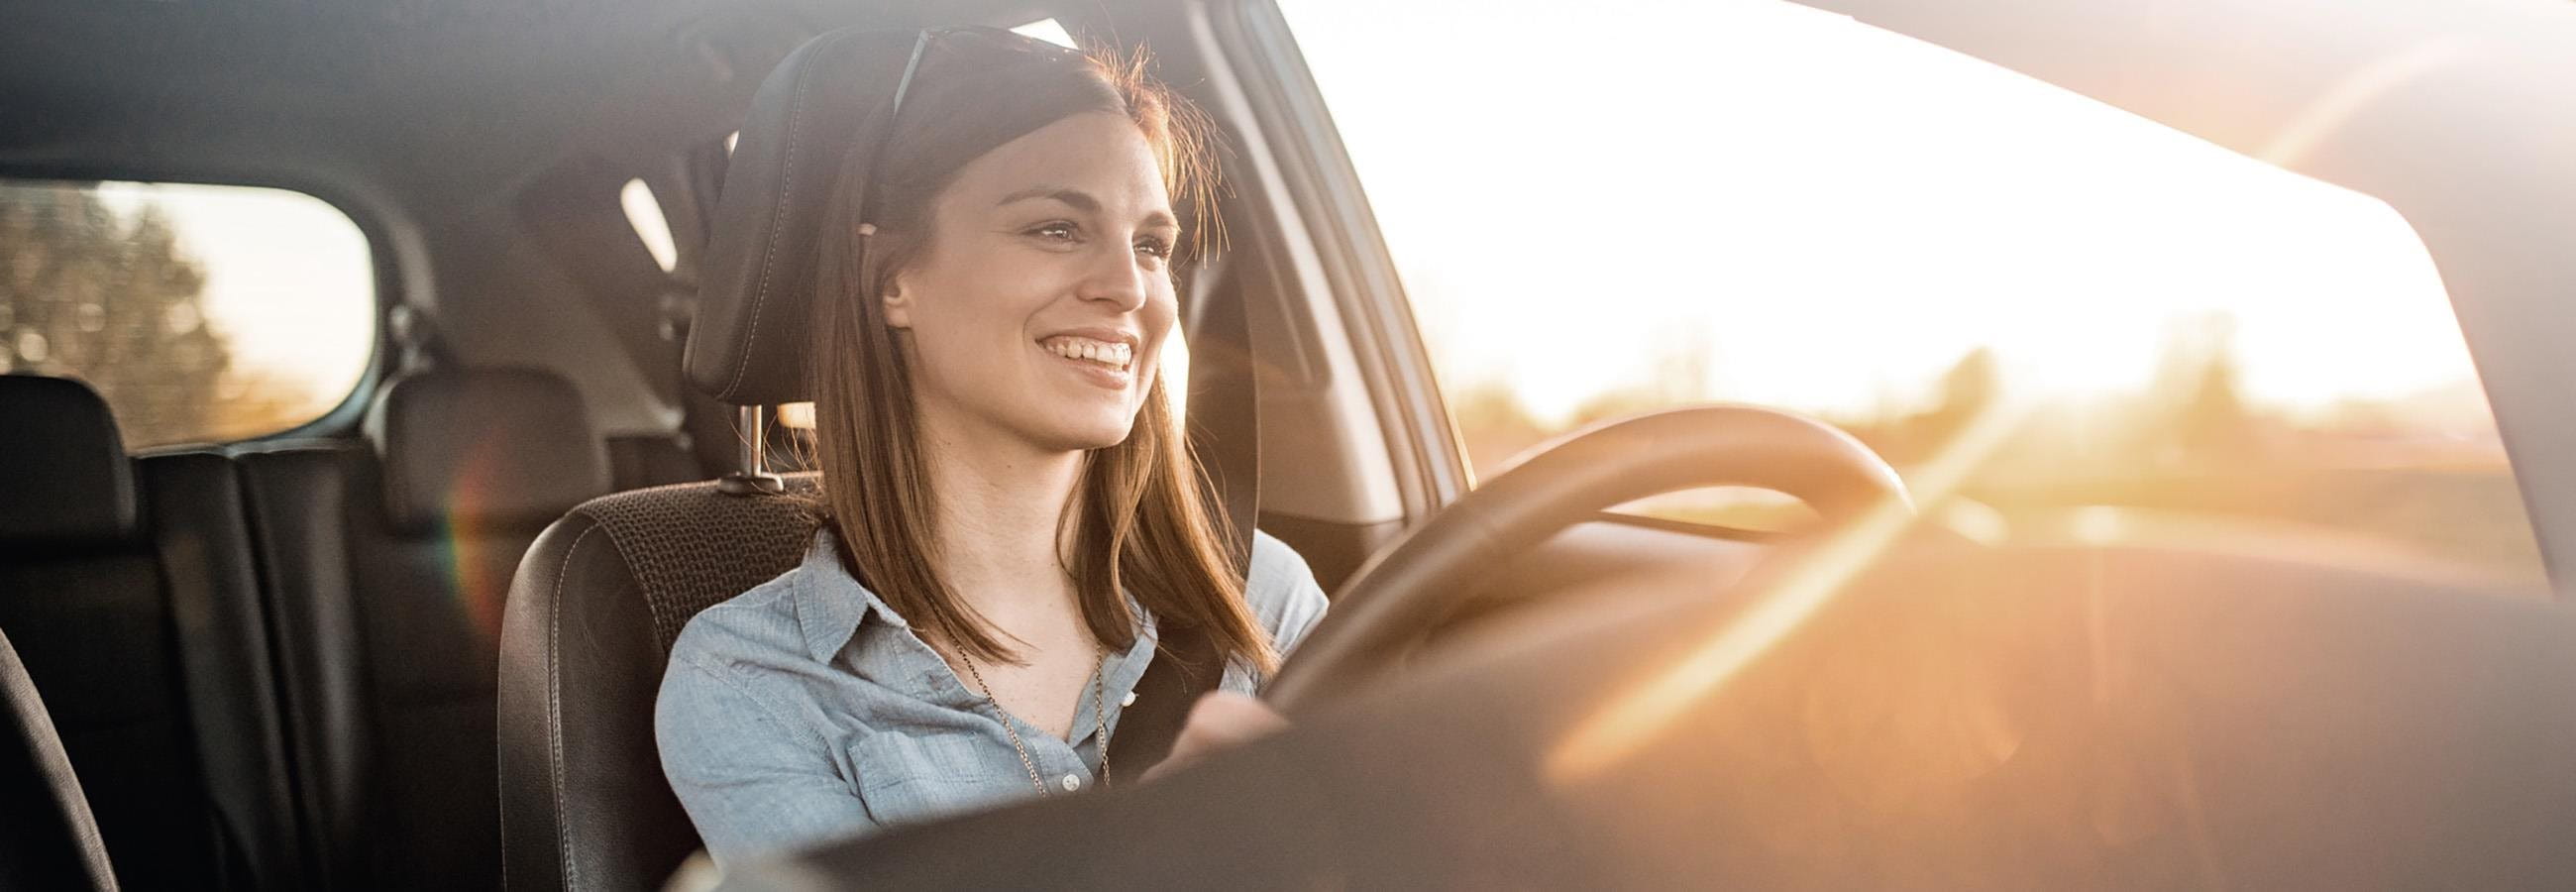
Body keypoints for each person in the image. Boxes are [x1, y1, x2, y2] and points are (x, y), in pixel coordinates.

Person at [653, 26, 1329, 867]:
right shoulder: (753, 679)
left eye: (1151, 246)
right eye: (1055, 228)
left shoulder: (1259, 595)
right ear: (892, 277)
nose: (1129, 289)